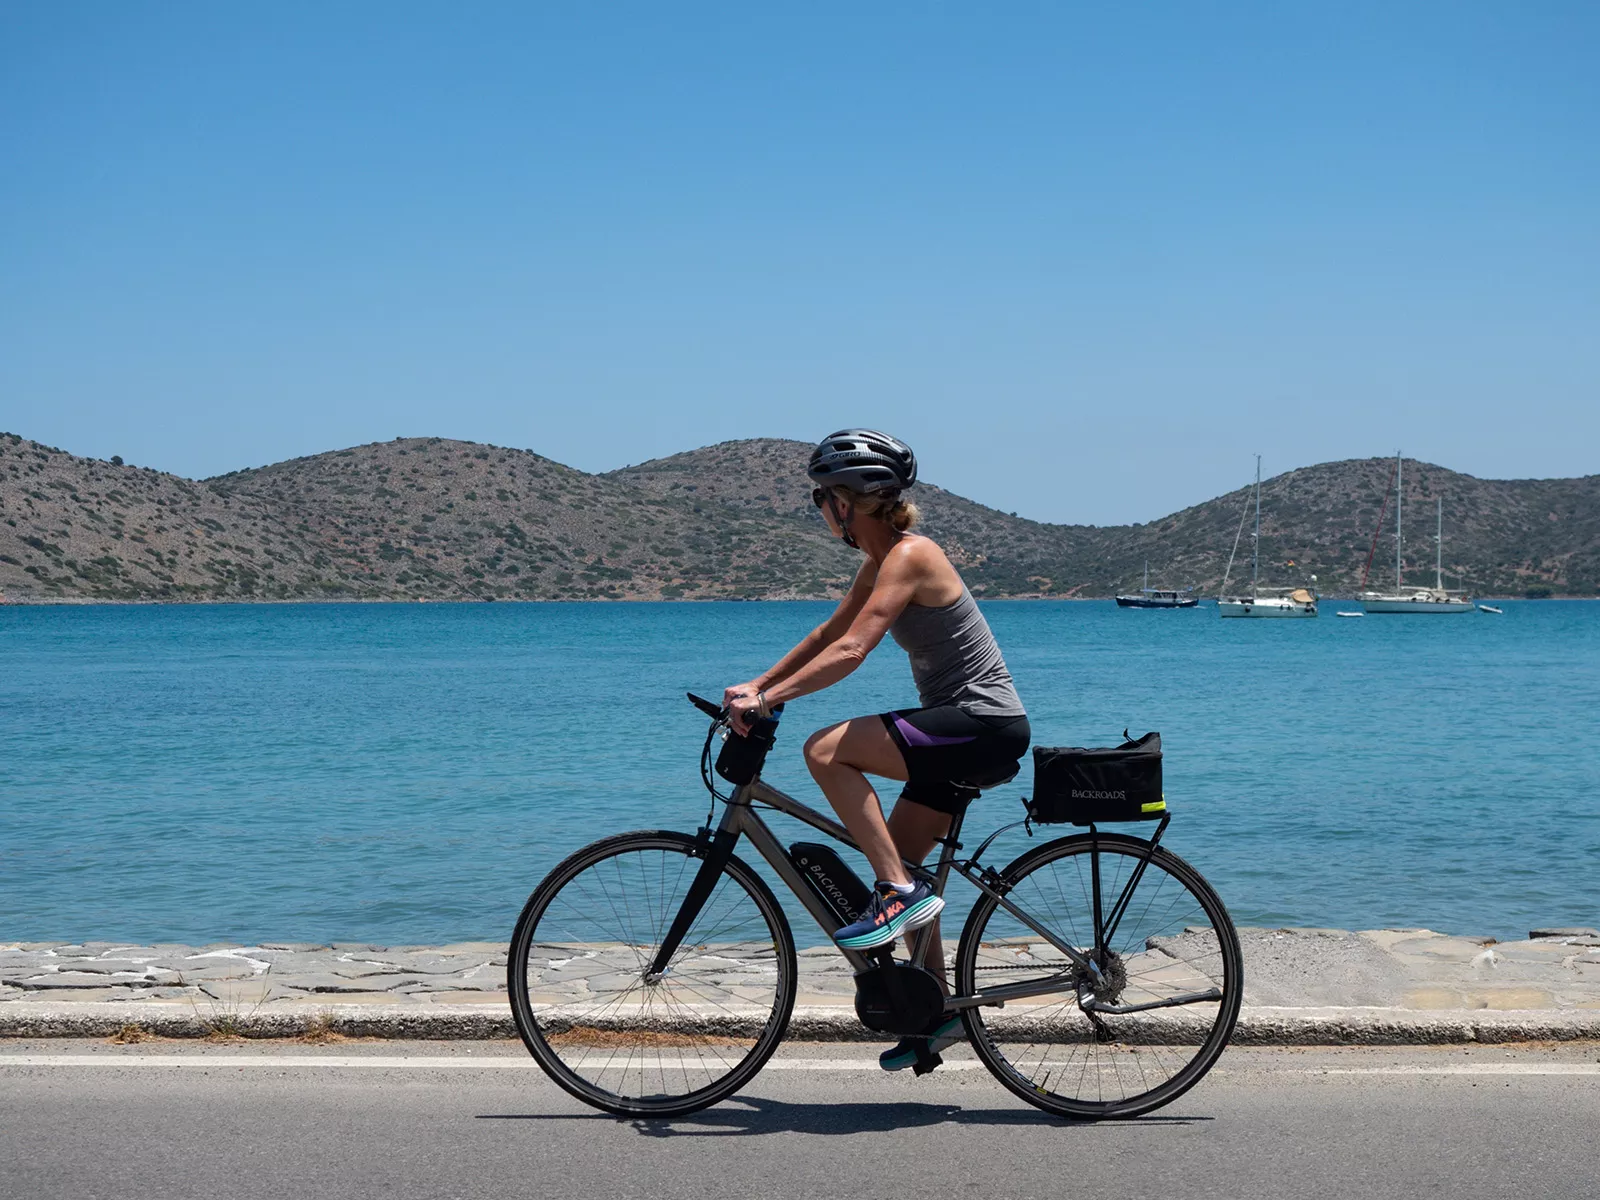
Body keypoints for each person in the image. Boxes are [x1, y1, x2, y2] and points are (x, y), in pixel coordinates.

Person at [724, 429, 1030, 1071]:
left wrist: (775, 700)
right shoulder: (882, 559)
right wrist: (759, 685)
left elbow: (852, 650)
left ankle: (894, 891)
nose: (820, 510)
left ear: (845, 501)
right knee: (912, 870)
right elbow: (826, 632)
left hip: (981, 722)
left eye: (820, 499)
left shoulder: (912, 555)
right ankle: (940, 1013)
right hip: (967, 729)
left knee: (827, 751)